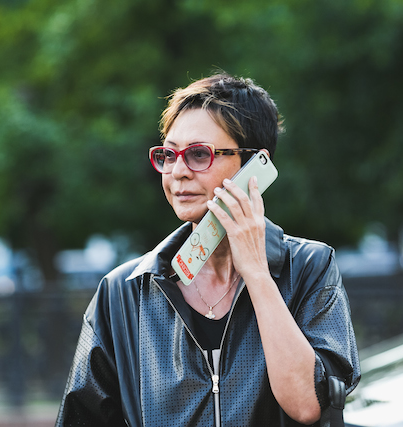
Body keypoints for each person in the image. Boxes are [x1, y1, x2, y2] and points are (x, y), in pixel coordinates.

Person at [55, 73, 360, 427]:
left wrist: (257, 274)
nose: (178, 171)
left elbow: (308, 405)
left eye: (199, 154)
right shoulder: (123, 293)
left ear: (253, 165)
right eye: (169, 155)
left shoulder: (309, 268)